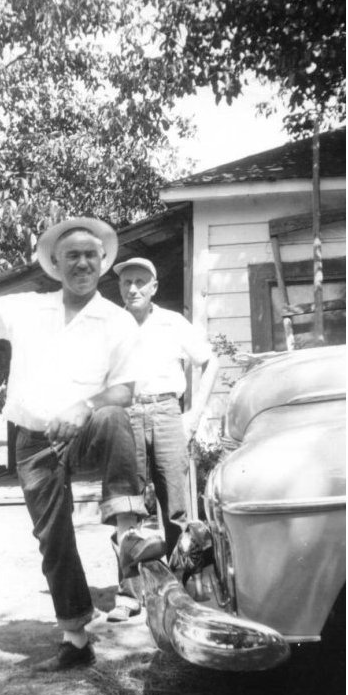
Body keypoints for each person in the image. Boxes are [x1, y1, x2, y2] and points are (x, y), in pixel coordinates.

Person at [0, 220, 166, 671]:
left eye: (90, 255)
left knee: (117, 416)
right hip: (34, 439)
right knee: (52, 537)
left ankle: (128, 527)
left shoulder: (117, 321)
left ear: (103, 264)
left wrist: (83, 406)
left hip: (87, 431)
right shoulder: (28, 308)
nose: (81, 262)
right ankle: (75, 636)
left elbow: (123, 391)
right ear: (55, 265)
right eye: (72, 256)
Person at [106, 257, 219, 622]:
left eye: (141, 282)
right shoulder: (109, 325)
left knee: (177, 507)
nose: (133, 288)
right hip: (126, 416)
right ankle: (129, 594)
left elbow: (210, 362)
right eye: (127, 283)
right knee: (127, 506)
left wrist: (195, 414)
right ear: (120, 288)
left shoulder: (173, 322)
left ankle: (183, 589)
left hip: (168, 412)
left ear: (154, 286)